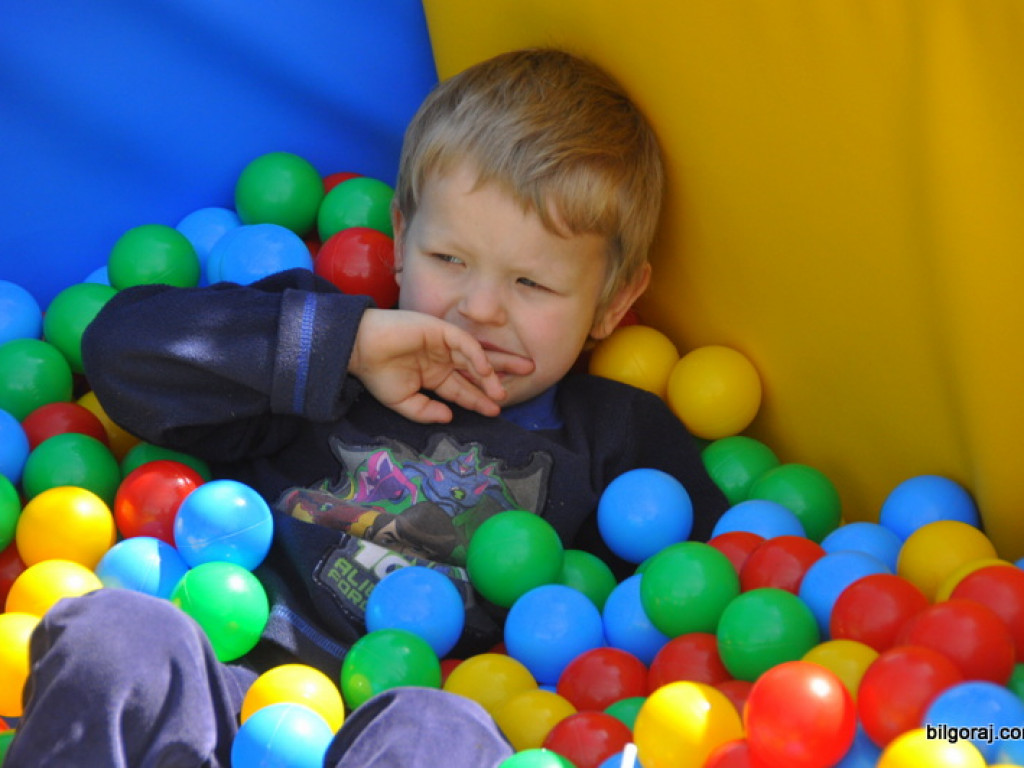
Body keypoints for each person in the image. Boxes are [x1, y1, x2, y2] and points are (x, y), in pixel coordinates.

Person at [6, 48, 728, 766]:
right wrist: (346, 346)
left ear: (615, 300)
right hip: (228, 692)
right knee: (115, 631)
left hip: (403, 729)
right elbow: (121, 354)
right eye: (449, 260)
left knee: (437, 731)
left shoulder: (618, 440)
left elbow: (703, 601)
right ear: (400, 238)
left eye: (531, 285)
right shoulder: (326, 340)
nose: (479, 309)